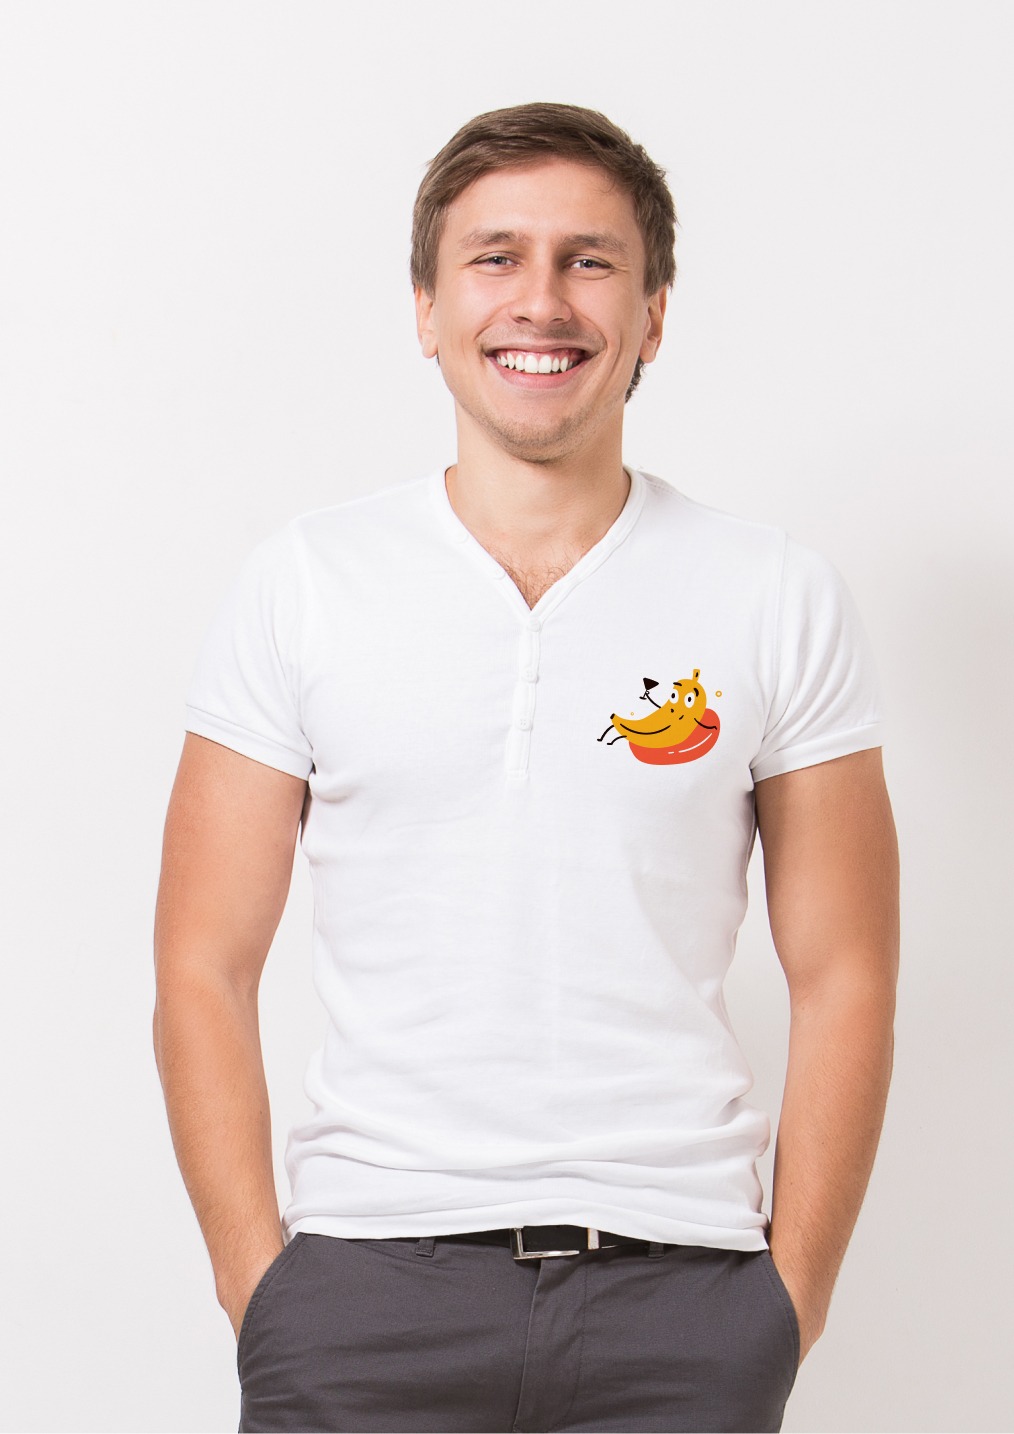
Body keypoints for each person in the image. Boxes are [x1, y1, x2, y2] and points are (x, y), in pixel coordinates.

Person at [153, 102, 900, 1434]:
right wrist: (259, 1287)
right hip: (363, 1290)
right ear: (427, 308)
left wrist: (789, 1300)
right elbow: (201, 961)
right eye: (493, 257)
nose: (540, 302)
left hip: (683, 1295)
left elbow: (845, 968)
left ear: (653, 316)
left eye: (588, 261)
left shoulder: (772, 594)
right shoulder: (306, 584)